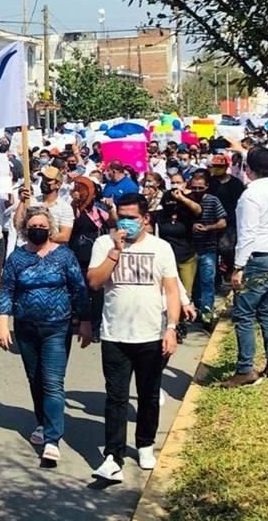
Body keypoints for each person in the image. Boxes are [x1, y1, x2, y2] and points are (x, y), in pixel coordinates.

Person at [85, 193, 181, 482]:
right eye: (121, 216)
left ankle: (144, 444)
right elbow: (94, 282)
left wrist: (172, 328)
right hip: (115, 334)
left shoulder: (161, 248)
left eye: (132, 217)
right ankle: (113, 456)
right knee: (115, 397)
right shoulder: (104, 243)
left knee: (149, 394)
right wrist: (115, 251)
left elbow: (171, 290)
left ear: (146, 219)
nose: (126, 222)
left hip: (151, 334)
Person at [0, 207, 87, 464]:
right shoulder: (16, 258)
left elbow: (78, 288)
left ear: (50, 229)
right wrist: (3, 323)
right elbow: (7, 290)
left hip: (57, 327)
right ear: (26, 229)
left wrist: (85, 322)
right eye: (33, 225)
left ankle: (52, 438)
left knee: (52, 382)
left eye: (42, 225)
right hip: (26, 328)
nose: (38, 229)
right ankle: (43, 421)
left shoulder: (64, 256)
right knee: (35, 378)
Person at [222, 147, 268, 387]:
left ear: (247, 169)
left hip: (258, 260)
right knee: (267, 311)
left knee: (244, 314)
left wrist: (238, 267)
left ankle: (245, 369)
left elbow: (247, 234)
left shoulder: (250, 196)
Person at [68, 177, 109, 341]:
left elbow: (112, 221)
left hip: (97, 257)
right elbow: (72, 220)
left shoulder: (100, 210)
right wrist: (74, 203)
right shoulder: (75, 209)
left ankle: (95, 327)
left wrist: (111, 207)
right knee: (79, 290)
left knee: (97, 294)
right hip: (78, 256)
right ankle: (78, 319)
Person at [187, 172, 227, 325]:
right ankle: (196, 309)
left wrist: (208, 228)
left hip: (208, 247)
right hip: (190, 249)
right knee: (193, 283)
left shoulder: (213, 201)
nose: (197, 191)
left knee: (207, 281)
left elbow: (223, 222)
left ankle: (206, 311)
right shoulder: (186, 200)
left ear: (207, 187)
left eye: (200, 188)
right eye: (194, 188)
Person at [207, 153, 245, 288]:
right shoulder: (209, 183)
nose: (217, 169)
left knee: (228, 249)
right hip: (210, 222)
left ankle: (230, 273)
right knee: (212, 252)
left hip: (231, 222)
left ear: (226, 166)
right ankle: (215, 280)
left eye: (220, 166)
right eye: (214, 166)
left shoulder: (235, 183)